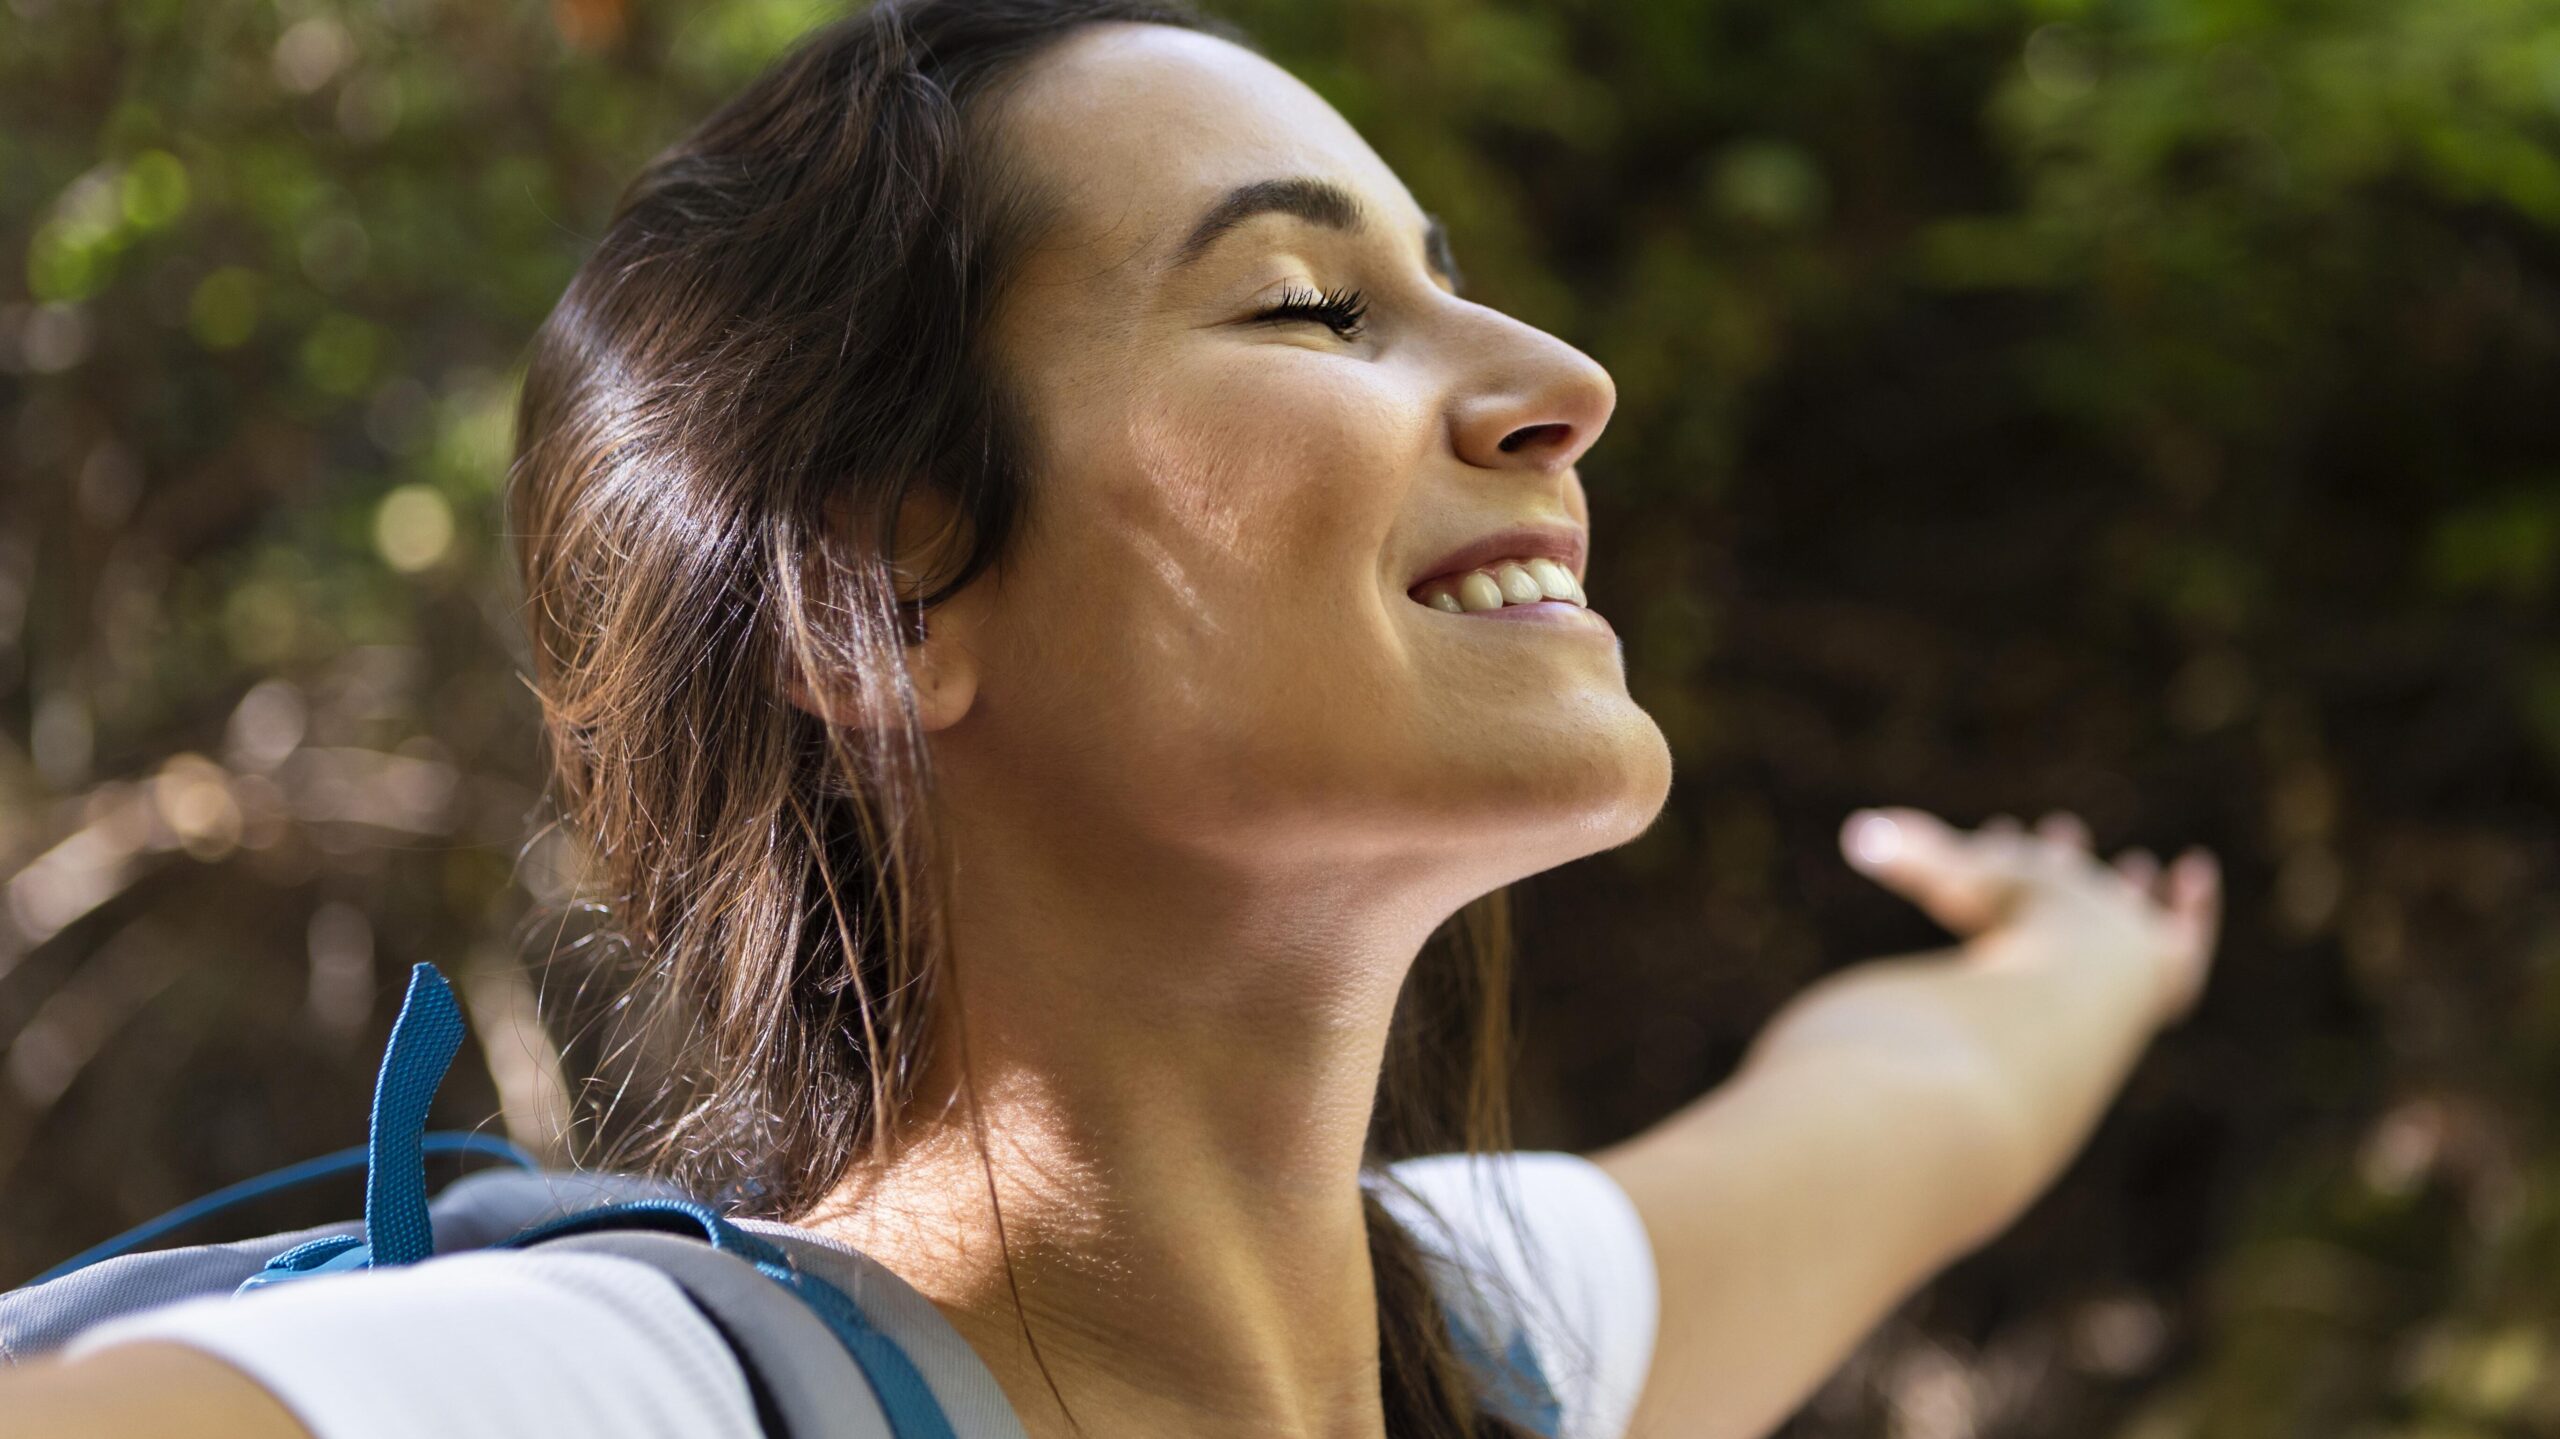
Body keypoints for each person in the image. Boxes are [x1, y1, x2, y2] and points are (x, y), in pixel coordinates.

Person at [0, 2, 2222, 1436]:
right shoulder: (624, 1402)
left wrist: (2079, 943)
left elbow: (1917, 1095)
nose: (1565, 383)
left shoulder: (1495, 1351)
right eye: (1306, 301)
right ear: (884, 598)